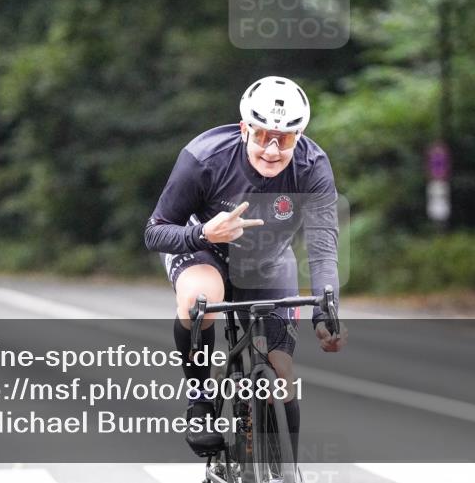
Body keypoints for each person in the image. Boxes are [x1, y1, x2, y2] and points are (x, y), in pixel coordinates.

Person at [145, 76, 348, 459]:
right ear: (244, 129)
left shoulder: (313, 167)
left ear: (300, 136)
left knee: (282, 371)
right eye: (262, 136)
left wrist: (327, 312)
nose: (272, 150)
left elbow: (323, 250)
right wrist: (205, 232)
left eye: (285, 140)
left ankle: (287, 469)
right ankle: (201, 401)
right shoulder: (204, 157)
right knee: (199, 299)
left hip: (267, 260)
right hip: (203, 250)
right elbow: (155, 231)